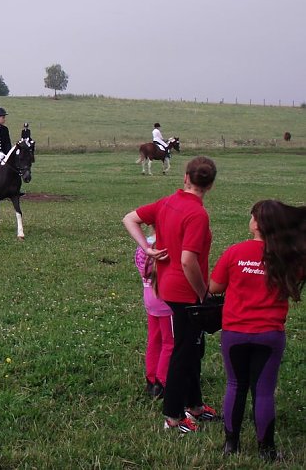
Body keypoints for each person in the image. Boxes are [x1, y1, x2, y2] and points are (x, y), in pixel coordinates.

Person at [123, 156, 219, 433]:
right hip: (185, 292)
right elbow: (189, 260)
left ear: (186, 177)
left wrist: (147, 247)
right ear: (210, 185)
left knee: (193, 348)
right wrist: (203, 294)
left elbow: (129, 219)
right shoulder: (197, 214)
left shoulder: (167, 202)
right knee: (184, 351)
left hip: (167, 286)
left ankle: (195, 405)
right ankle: (174, 417)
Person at [209, 200, 306, 460]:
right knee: (263, 391)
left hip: (235, 332)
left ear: (256, 223)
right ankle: (266, 450)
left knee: (234, 385)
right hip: (270, 334)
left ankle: (231, 445)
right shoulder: (289, 257)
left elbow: (215, 287)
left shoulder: (234, 252)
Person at [134, 228, 173, 400]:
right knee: (169, 342)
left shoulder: (144, 245)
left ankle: (151, 379)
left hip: (149, 296)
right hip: (165, 300)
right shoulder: (167, 247)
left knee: (154, 339)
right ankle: (162, 381)